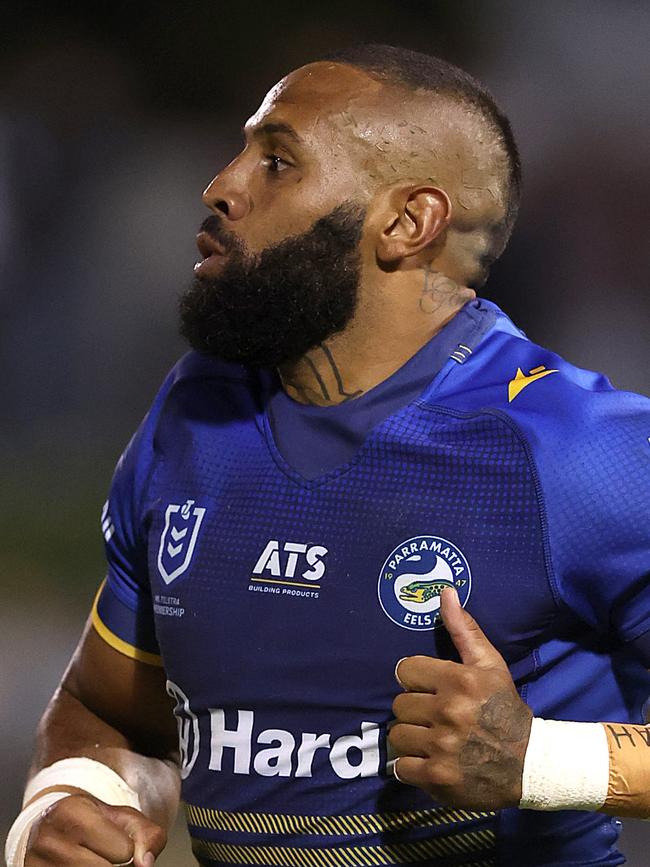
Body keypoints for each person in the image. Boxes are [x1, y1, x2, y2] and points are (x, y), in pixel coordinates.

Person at [6, 43, 650, 867]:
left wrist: (545, 762)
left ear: (408, 221)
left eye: (277, 160)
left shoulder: (572, 450)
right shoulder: (195, 410)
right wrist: (66, 801)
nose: (221, 185)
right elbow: (110, 712)